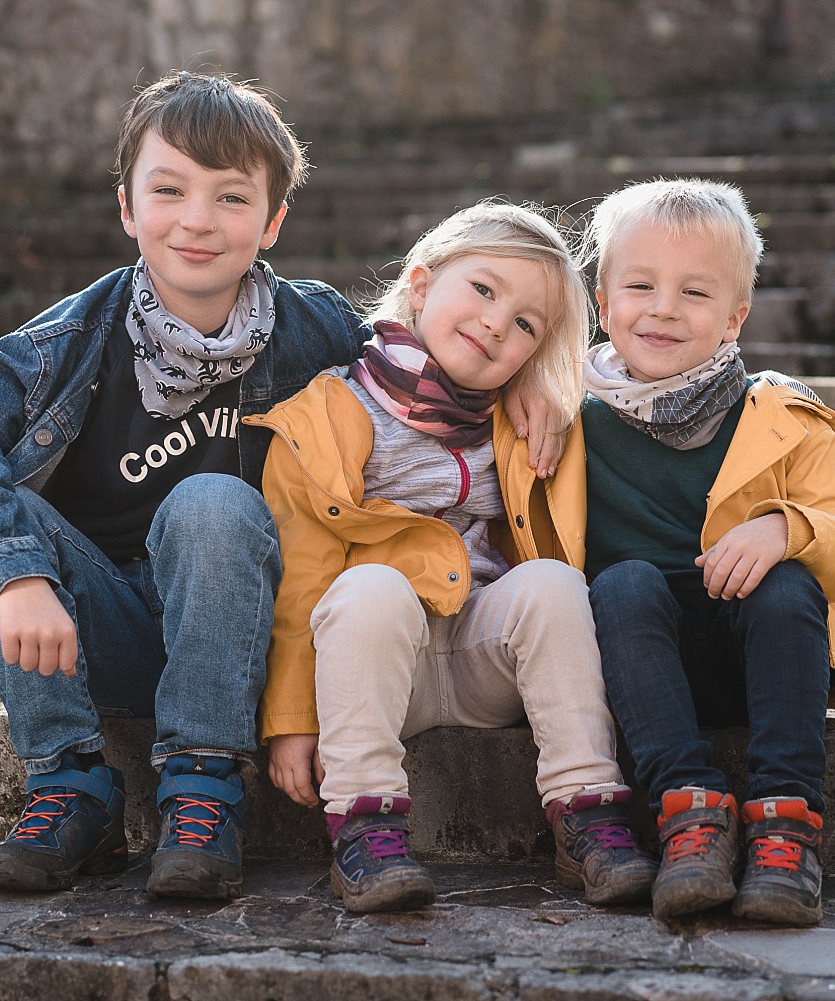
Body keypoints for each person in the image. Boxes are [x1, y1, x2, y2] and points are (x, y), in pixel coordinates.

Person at [0, 71, 370, 899]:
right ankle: (72, 782)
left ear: (273, 221)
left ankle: (204, 789)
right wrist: (15, 573)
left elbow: (429, 378)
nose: (197, 219)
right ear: (126, 206)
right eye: (168, 190)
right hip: (100, 633)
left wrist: (534, 395)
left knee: (215, 501)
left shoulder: (319, 329)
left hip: (246, 634)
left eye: (231, 198)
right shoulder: (70, 337)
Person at [248, 201, 656, 914]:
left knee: (554, 584)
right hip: (372, 670)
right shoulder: (330, 414)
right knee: (369, 584)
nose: (499, 322)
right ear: (422, 282)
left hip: (477, 655)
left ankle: (587, 809)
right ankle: (366, 827)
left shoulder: (524, 422)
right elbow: (301, 576)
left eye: (528, 324)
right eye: (484, 290)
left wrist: (547, 400)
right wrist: (289, 718)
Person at [580, 179, 835, 926]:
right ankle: (691, 812)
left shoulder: (781, 415)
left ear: (733, 317)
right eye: (641, 285)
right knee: (620, 583)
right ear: (602, 301)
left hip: (762, 660)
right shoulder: (564, 416)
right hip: (636, 667)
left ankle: (787, 824)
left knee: (786, 585)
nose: (662, 308)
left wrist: (786, 527)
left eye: (694, 292)